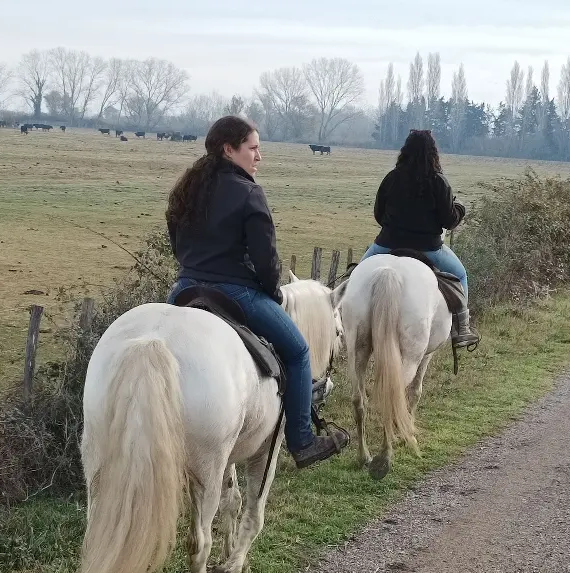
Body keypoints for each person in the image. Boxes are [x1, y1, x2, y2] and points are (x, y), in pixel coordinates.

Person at [165, 115, 349, 469]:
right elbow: (267, 262)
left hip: (186, 288)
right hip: (236, 293)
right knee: (297, 352)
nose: (259, 157)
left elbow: (177, 244)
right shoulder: (250, 193)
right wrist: (271, 292)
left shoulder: (186, 188)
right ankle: (303, 440)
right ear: (229, 149)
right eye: (253, 148)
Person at [362, 129, 480, 348]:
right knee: (461, 274)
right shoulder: (439, 182)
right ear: (433, 153)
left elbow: (379, 214)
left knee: (355, 276)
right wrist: (460, 209)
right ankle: (462, 328)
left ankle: (339, 317)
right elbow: (448, 221)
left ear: (405, 151)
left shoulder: (391, 177)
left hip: (387, 244)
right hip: (429, 248)